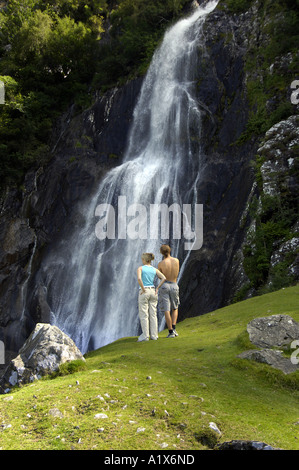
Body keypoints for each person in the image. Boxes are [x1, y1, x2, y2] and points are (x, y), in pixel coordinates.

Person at [137, 253, 166, 342]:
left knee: (144, 314)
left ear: (144, 260)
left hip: (144, 291)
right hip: (153, 291)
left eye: (142, 259)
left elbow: (139, 279)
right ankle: (154, 335)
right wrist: (157, 288)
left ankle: (145, 336)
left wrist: (142, 289)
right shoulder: (154, 269)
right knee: (153, 314)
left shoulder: (140, 268)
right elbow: (164, 278)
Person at [158, 244, 180, 338]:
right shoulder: (176, 261)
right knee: (175, 307)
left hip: (165, 286)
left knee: (166, 309)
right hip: (174, 284)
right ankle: (174, 328)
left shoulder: (160, 264)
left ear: (161, 253)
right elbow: (177, 272)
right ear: (170, 250)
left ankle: (170, 331)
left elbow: (160, 277)